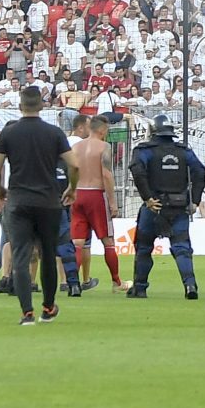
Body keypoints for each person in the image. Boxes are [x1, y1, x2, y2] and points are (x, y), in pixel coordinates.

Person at [0, 85, 76, 326]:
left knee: (20, 255)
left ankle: (26, 313)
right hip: (48, 201)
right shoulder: (54, 133)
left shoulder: (9, 133)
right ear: (41, 106)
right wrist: (73, 188)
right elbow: (74, 165)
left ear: (20, 106)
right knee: (48, 253)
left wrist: (0, 191)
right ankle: (48, 308)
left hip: (18, 201)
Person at [125, 109, 204, 302]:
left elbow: (137, 170)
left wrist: (147, 197)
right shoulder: (184, 151)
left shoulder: (144, 150)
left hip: (154, 207)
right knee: (182, 247)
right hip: (179, 206)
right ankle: (189, 284)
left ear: (153, 131)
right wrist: (194, 200)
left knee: (144, 247)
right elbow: (200, 172)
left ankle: (140, 288)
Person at [65, 111, 121, 295]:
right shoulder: (104, 147)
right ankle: (116, 282)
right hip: (96, 195)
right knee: (108, 241)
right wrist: (113, 203)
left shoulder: (77, 147)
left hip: (78, 194)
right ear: (103, 130)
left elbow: (72, 170)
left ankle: (73, 284)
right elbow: (106, 174)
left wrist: (71, 190)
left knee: (78, 242)